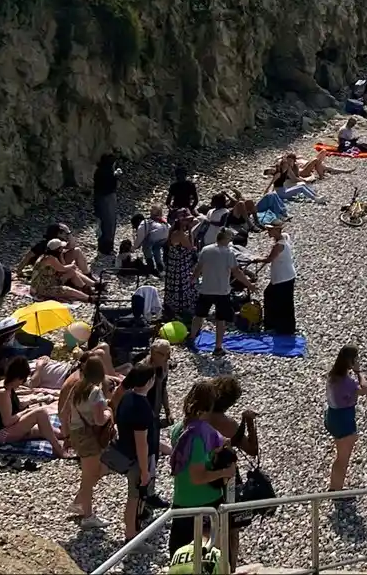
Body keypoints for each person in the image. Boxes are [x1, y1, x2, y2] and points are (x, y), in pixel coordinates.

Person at [169, 378, 239, 570]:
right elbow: (197, 477)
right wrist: (225, 472)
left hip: (181, 502)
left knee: (178, 559)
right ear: (209, 406)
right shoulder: (199, 436)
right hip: (205, 505)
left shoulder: (178, 429)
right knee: (207, 562)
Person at [61, 353, 116, 530]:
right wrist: (108, 412)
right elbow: (100, 420)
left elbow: (65, 412)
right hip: (89, 436)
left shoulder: (76, 387)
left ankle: (79, 503)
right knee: (89, 476)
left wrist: (67, 435)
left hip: (77, 433)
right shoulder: (96, 392)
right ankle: (88, 516)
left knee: (98, 470)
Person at [0, 357, 72, 457]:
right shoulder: (2, 393)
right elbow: (7, 422)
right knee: (41, 413)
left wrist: (31, 403)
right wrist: (25, 412)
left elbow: (13, 407)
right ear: (17, 378)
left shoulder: (7, 386)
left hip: (8, 427)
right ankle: (57, 449)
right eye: (22, 380)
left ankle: (69, 440)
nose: (22, 383)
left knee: (54, 432)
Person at [112, 363, 161, 539]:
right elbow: (142, 443)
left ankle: (130, 531)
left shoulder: (126, 397)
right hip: (136, 458)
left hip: (123, 450)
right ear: (149, 381)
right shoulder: (143, 407)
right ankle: (131, 536)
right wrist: (145, 471)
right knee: (134, 498)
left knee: (132, 497)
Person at [191, 227, 239, 357]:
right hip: (222, 290)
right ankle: (218, 347)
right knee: (220, 319)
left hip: (206, 288)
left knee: (199, 315)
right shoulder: (229, 253)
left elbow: (198, 268)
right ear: (226, 239)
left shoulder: (206, 250)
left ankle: (191, 339)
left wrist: (192, 280)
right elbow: (236, 272)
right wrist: (249, 285)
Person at [324, 345, 367, 490]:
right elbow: (364, 389)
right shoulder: (347, 382)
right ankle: (337, 489)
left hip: (332, 416)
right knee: (343, 458)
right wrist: (359, 372)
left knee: (340, 456)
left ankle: (335, 486)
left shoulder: (332, 376)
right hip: (344, 419)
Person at [29, 239, 95, 303]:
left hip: (48, 280)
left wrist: (61, 255)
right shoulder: (50, 259)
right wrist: (72, 265)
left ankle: (86, 287)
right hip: (42, 288)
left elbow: (63, 266)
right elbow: (62, 268)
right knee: (68, 290)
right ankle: (88, 298)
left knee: (71, 272)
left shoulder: (47, 256)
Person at [260, 224, 298, 335]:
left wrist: (256, 259)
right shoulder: (284, 238)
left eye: (270, 230)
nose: (268, 233)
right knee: (277, 299)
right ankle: (277, 325)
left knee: (281, 302)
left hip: (283, 278)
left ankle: (280, 327)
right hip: (285, 276)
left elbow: (269, 259)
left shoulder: (279, 245)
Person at [161, 216, 197, 325]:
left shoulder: (173, 232)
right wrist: (191, 230)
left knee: (173, 287)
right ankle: (181, 309)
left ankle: (171, 308)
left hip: (173, 265)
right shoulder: (180, 234)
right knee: (182, 286)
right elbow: (191, 247)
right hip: (180, 266)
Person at [93, 150, 124, 264]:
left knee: (101, 223)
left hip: (99, 199)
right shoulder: (109, 173)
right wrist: (117, 176)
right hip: (108, 199)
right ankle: (107, 248)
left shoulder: (98, 171)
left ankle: (101, 246)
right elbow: (114, 186)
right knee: (109, 224)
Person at [134, 207, 170, 273]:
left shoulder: (142, 225)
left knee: (146, 246)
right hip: (166, 232)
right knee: (156, 248)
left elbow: (139, 240)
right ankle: (160, 265)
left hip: (157, 233)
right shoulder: (158, 220)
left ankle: (150, 265)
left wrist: (133, 248)